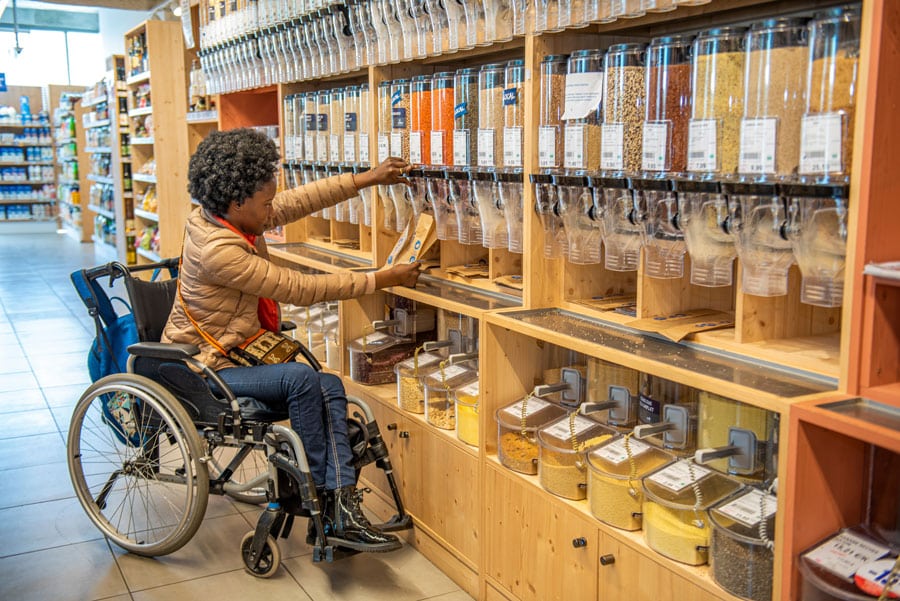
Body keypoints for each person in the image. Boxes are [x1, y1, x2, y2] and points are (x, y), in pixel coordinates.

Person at [162, 128, 421, 552]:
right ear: (238, 201)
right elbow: (297, 287)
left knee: (329, 382)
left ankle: (339, 506)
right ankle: (317, 499)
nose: (272, 211)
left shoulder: (224, 215)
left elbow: (297, 201)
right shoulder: (219, 250)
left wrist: (367, 178)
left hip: (239, 352)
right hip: (207, 365)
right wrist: (382, 279)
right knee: (302, 379)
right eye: (265, 203)